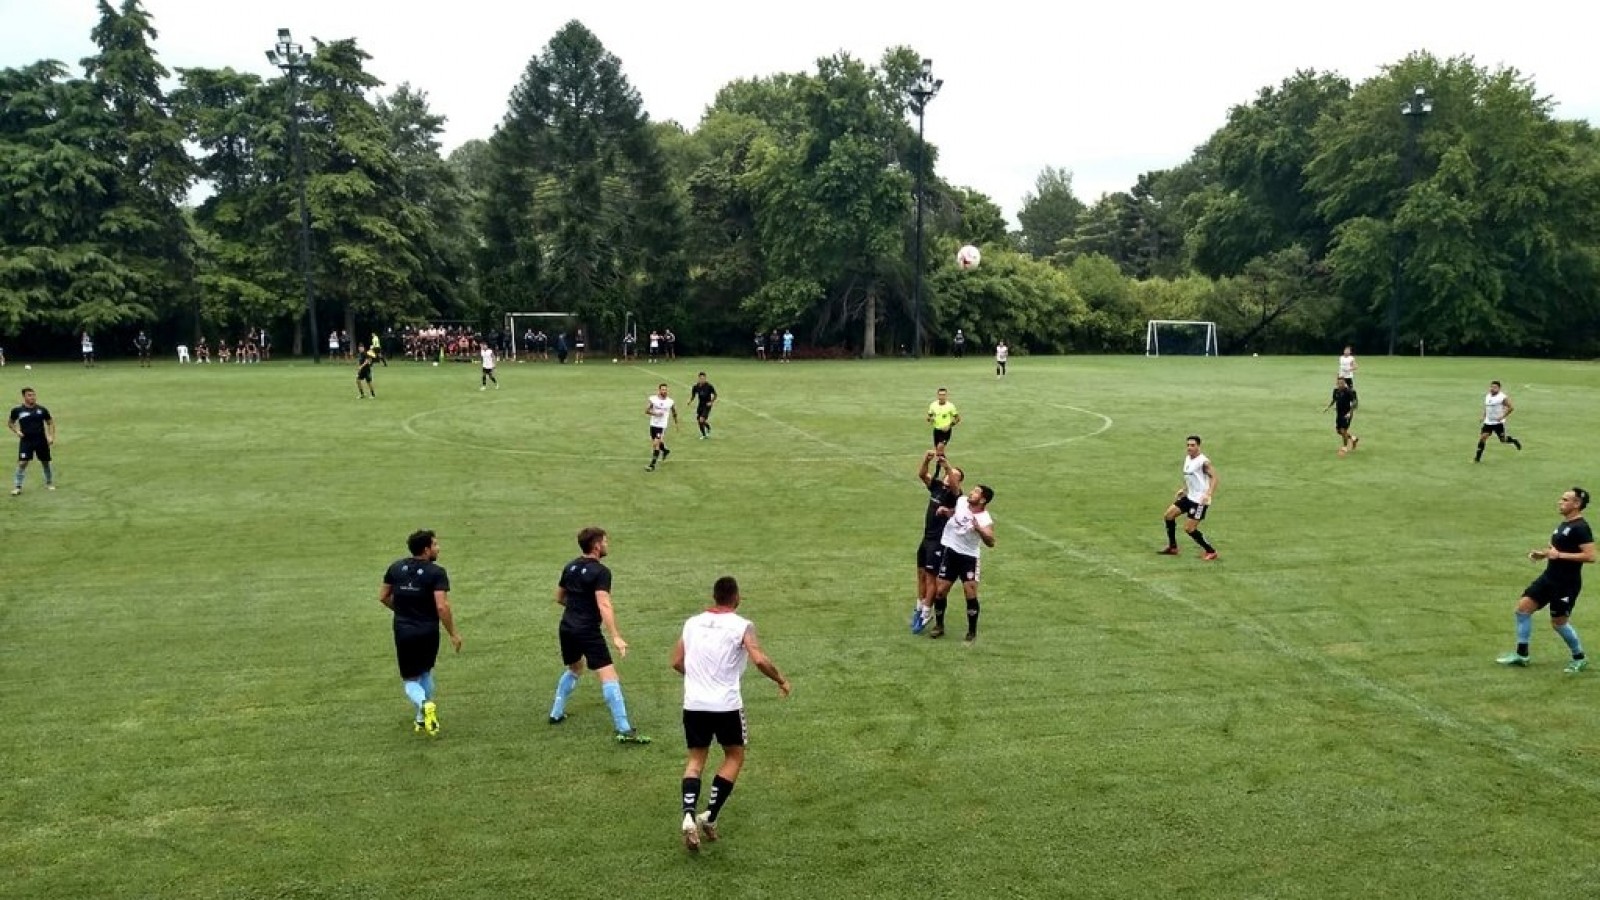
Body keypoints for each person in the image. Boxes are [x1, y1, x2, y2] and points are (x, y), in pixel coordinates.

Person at [673, 575, 791, 853]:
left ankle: (689, 814)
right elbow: (759, 659)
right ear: (736, 598)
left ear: (715, 597)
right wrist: (781, 680)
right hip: (726, 705)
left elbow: (677, 661)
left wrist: (700, 680)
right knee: (734, 756)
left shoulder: (691, 623)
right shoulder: (741, 625)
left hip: (694, 704)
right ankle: (710, 814)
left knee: (695, 760)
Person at [547, 526, 650, 743]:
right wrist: (615, 636)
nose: (607, 545)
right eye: (605, 541)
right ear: (596, 546)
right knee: (609, 676)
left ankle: (556, 713)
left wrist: (577, 607)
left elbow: (559, 597)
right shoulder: (601, 572)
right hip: (587, 630)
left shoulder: (570, 566)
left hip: (566, 626)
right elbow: (604, 604)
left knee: (575, 668)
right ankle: (624, 727)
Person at [1497, 487, 1594, 673]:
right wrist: (1544, 554)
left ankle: (1579, 657)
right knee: (1522, 609)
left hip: (1566, 583)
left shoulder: (1581, 528)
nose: (1560, 502)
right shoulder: (1564, 524)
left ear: (1577, 504)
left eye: (1565, 500)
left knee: (1559, 623)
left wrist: (1559, 555)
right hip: (1549, 578)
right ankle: (1522, 655)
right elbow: (1556, 551)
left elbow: (1590, 556)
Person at [379, 529, 462, 735]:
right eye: (435, 545)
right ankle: (421, 717)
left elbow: (383, 596)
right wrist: (453, 633)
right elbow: (442, 607)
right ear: (426, 550)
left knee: (410, 680)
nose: (438, 548)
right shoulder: (436, 572)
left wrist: (402, 610)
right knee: (425, 672)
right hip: (428, 632)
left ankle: (424, 705)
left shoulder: (396, 567)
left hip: (404, 631)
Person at [930, 484, 996, 642]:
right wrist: (946, 511)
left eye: (975, 492)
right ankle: (939, 626)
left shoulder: (985, 519)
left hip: (969, 557)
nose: (971, 493)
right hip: (951, 552)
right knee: (940, 591)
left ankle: (971, 632)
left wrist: (978, 529)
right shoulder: (962, 501)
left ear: (983, 499)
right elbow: (956, 513)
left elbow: (991, 541)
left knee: (970, 593)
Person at [913, 449, 963, 634]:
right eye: (949, 475)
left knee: (931, 577)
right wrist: (926, 460)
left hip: (938, 542)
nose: (950, 477)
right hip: (926, 538)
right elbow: (921, 475)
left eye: (955, 476)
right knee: (920, 574)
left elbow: (956, 487)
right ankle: (919, 607)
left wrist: (947, 466)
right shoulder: (938, 487)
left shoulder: (955, 495)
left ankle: (927, 613)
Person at [1158, 435, 1219, 559]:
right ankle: (1173, 547)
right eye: (1188, 445)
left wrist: (1208, 494)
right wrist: (1184, 489)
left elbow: (1215, 478)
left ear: (1198, 446)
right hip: (1189, 496)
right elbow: (1190, 477)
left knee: (1189, 528)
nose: (1189, 448)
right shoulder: (1188, 458)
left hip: (1200, 501)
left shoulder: (1203, 462)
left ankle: (1211, 551)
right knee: (1168, 516)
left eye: (1192, 445)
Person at [8, 387, 56, 496]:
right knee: (22, 463)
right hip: (26, 441)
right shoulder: (17, 410)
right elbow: (10, 423)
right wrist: (17, 431)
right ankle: (17, 487)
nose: (32, 397)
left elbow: (50, 422)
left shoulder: (42, 410)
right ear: (24, 397)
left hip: (41, 440)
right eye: (29, 395)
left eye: (33, 395)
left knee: (45, 462)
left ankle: (49, 483)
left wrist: (50, 436)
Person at [1476, 380, 1522, 462]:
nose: (1492, 389)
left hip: (1498, 423)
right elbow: (1487, 407)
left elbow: (1511, 408)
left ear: (1499, 388)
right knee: (1483, 437)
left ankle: (1514, 441)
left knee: (1503, 440)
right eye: (1491, 387)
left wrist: (1502, 416)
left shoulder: (1502, 397)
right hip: (1488, 422)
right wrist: (1483, 417)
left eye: (1495, 387)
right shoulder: (1488, 396)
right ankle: (1477, 459)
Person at [645, 382, 679, 471]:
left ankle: (652, 465)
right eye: (662, 389)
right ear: (659, 390)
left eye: (665, 389)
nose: (664, 391)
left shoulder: (670, 401)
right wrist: (656, 413)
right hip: (653, 424)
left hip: (662, 426)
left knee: (655, 444)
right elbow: (647, 411)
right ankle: (665, 450)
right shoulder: (653, 399)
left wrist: (676, 423)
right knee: (658, 443)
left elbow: (674, 412)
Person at [1323, 376, 1360, 455]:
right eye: (1339, 383)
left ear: (1344, 383)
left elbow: (1354, 402)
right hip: (1339, 413)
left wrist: (1349, 413)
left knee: (1343, 430)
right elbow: (1334, 400)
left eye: (1342, 383)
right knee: (1339, 431)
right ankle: (1353, 438)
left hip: (1347, 413)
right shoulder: (1336, 391)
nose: (1340, 385)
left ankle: (1345, 447)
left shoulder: (1349, 392)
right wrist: (1328, 407)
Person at [690, 371, 717, 439]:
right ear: (698, 379)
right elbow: (693, 395)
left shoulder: (709, 386)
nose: (702, 380)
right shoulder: (696, 386)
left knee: (701, 419)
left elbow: (715, 395)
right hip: (700, 405)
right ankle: (706, 430)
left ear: (705, 378)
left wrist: (711, 402)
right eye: (701, 378)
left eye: (703, 378)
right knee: (699, 420)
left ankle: (704, 435)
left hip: (707, 405)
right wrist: (690, 401)